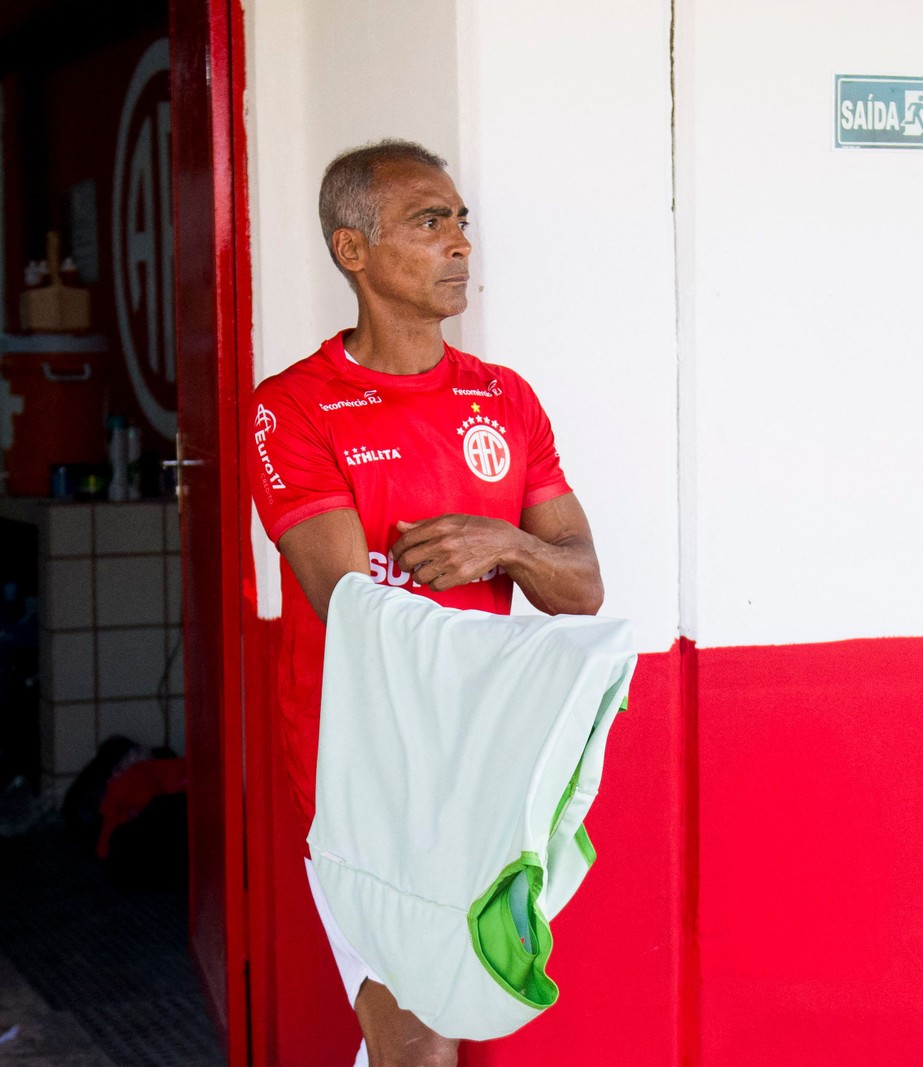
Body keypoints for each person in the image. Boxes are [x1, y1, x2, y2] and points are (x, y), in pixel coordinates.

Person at [247, 141, 604, 1065]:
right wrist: (512, 561)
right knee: (409, 1022)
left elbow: (581, 584)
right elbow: (347, 606)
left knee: (446, 1001)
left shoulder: (504, 396)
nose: (458, 245)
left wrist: (508, 544)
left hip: (484, 756)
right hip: (362, 765)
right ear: (352, 250)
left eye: (460, 222)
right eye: (427, 222)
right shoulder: (292, 406)